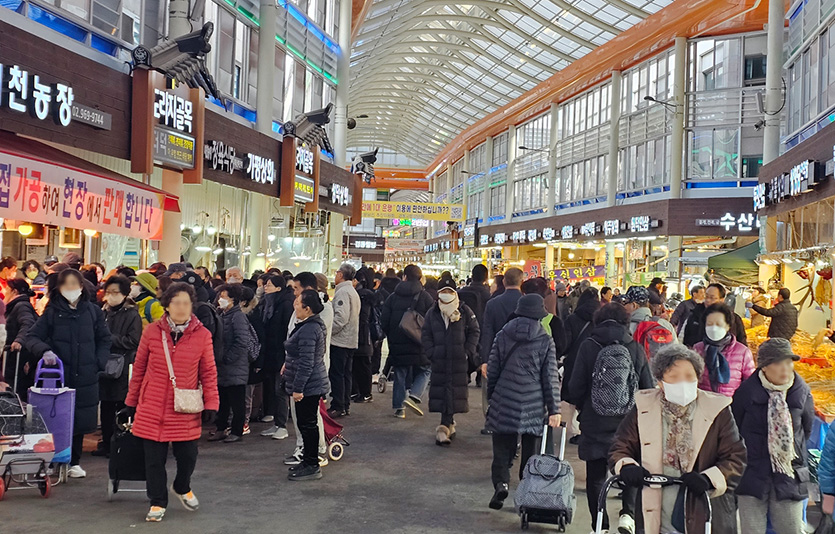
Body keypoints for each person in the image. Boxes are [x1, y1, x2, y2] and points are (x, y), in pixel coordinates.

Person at [609, 344, 747, 534]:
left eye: (689, 376)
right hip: (657, 505)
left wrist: (710, 478)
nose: (683, 382)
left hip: (705, 509)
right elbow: (620, 446)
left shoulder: (717, 410)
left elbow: (736, 456)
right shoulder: (643, 408)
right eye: (674, 377)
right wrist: (627, 465)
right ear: (660, 382)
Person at [124, 282, 219, 523]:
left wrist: (212, 404)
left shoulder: (203, 335)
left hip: (184, 406)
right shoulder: (152, 332)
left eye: (186, 303)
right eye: (176, 302)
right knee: (153, 460)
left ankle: (182, 485)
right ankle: (157, 501)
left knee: (188, 456)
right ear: (167, 305)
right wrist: (131, 401)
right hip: (151, 405)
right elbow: (140, 368)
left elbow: (208, 371)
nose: (181, 307)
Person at [568, 302, 654, 534]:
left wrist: (580, 407)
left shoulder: (588, 346)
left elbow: (575, 387)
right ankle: (627, 515)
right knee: (628, 470)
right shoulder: (634, 347)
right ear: (625, 323)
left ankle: (600, 525)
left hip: (594, 422)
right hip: (628, 424)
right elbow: (648, 387)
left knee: (596, 478)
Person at [24, 269, 111, 478]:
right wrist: (44, 351)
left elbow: (105, 339)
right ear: (59, 288)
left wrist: (98, 362)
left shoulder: (93, 311)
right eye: (66, 284)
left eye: (74, 283)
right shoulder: (52, 312)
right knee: (56, 417)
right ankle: (53, 460)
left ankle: (74, 461)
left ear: (82, 286)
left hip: (86, 374)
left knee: (79, 419)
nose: (70, 288)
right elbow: (32, 336)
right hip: (58, 376)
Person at [485, 294, 560, 510]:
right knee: (531, 452)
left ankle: (501, 484)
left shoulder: (503, 334)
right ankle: (525, 491)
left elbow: (493, 368)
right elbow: (550, 377)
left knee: (502, 448)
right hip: (533, 403)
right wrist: (554, 408)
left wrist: (493, 395)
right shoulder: (545, 339)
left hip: (505, 398)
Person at [732, 338, 813, 534]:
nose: (785, 368)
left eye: (788, 362)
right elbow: (735, 428)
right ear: (764, 367)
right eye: (778, 363)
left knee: (791, 529)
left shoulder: (801, 392)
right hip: (752, 473)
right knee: (752, 530)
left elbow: (805, 430)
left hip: (789, 475)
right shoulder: (746, 392)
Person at [421, 278, 480, 445]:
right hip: (439, 359)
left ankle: (446, 426)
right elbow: (426, 334)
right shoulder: (433, 312)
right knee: (443, 391)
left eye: (449, 291)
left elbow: (475, 331)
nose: (446, 295)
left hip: (458, 360)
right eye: (443, 291)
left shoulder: (464, 311)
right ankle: (446, 425)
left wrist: (468, 351)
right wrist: (431, 352)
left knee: (452, 391)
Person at [284, 273, 333, 467]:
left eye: (297, 289)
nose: (294, 295)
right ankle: (304, 450)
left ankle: (315, 452)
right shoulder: (303, 311)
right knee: (302, 416)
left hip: (311, 372)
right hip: (300, 368)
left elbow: (308, 356)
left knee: (309, 417)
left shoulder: (317, 317)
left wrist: (298, 386)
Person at [93, 275, 142, 458]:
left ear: (124, 293)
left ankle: (120, 444)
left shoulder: (132, 314)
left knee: (121, 405)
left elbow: (133, 341)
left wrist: (109, 338)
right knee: (105, 406)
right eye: (109, 292)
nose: (111, 296)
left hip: (122, 366)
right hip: (104, 364)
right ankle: (106, 442)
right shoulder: (103, 312)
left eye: (116, 292)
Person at [380, 264, 434, 419]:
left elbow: (384, 320)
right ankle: (414, 395)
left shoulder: (393, 296)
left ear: (404, 277)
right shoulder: (425, 297)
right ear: (420, 278)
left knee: (400, 373)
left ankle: (399, 409)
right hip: (419, 341)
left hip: (397, 340)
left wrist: (391, 335)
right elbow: (432, 319)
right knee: (425, 369)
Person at [477, 268, 524, 432]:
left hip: (496, 354)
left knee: (492, 389)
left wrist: (485, 359)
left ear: (503, 282)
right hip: (521, 356)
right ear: (521, 281)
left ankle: (491, 422)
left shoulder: (493, 303)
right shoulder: (526, 303)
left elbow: (487, 332)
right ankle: (514, 423)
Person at [208, 283, 254, 443]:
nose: (220, 300)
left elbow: (242, 341)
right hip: (223, 366)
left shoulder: (238, 316)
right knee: (223, 400)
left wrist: (227, 357)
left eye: (223, 297)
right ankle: (221, 428)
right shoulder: (222, 314)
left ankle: (236, 430)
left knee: (237, 400)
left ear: (233, 299)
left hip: (235, 366)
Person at [256, 273, 295, 439]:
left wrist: (286, 355)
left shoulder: (285, 304)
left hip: (281, 353)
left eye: (270, 285)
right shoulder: (266, 303)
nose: (266, 287)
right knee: (273, 387)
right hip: (271, 352)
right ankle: (276, 423)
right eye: (266, 284)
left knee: (281, 390)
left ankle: (282, 425)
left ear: (279, 288)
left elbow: (288, 331)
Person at [560, 288, 599, 443]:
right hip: (596, 362)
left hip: (575, 362)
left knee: (575, 395)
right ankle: (588, 430)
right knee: (591, 395)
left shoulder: (572, 319)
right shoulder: (601, 318)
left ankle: (576, 430)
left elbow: (565, 343)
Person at [693, 303, 755, 397]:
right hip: (704, 406)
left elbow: (750, 384)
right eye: (709, 324)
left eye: (719, 324)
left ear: (728, 326)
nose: (713, 328)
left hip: (730, 406)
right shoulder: (698, 349)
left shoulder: (742, 352)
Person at [328, 263, 361, 418]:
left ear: (341, 274)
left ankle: (338, 405)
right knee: (346, 374)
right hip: (351, 339)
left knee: (337, 374)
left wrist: (329, 332)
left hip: (340, 341)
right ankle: (345, 404)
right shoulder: (352, 291)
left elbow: (341, 318)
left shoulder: (342, 293)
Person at [682, 283, 747, 348]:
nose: (708, 300)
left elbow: (742, 341)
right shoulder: (695, 315)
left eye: (712, 298)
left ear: (722, 300)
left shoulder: (733, 318)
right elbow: (686, 340)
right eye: (706, 297)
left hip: (728, 355)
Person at [3, 279, 37, 398]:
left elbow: (28, 323)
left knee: (14, 388)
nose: (4, 292)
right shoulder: (16, 306)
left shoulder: (21, 306)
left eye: (7, 290)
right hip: (13, 358)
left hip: (17, 358)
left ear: (14, 291)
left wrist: (19, 340)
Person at [352, 267, 375, 404]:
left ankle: (366, 393)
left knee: (363, 364)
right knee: (359, 364)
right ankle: (361, 392)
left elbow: (364, 318)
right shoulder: (367, 294)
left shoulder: (363, 295)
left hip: (363, 335)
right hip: (364, 334)